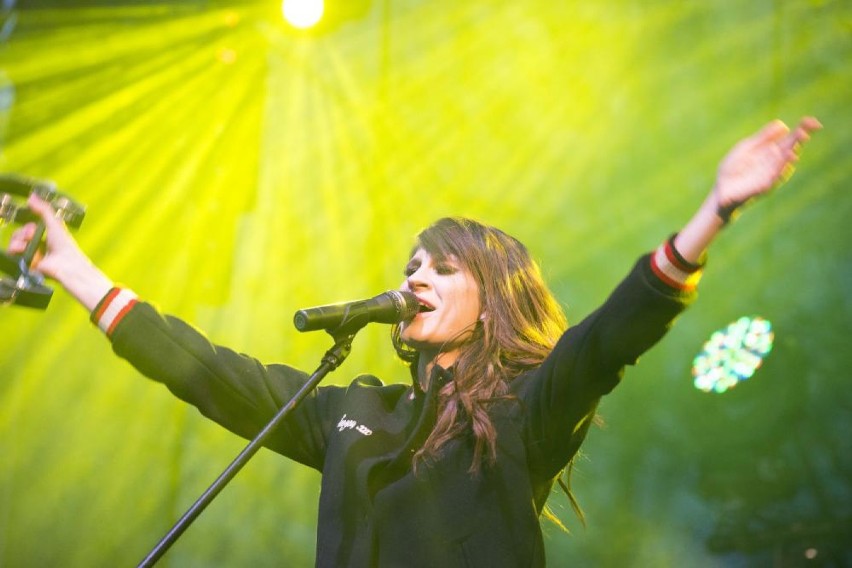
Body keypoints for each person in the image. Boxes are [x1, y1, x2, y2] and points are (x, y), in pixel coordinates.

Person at [7, 117, 821, 567]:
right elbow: (206, 372)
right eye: (410, 265)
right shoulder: (353, 412)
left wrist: (713, 211)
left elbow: (612, 335)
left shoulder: (527, 405)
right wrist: (74, 269)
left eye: (442, 267)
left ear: (494, 296)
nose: (417, 277)